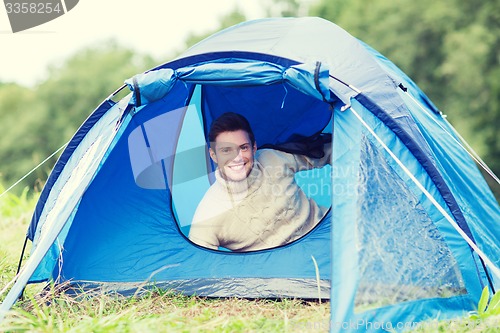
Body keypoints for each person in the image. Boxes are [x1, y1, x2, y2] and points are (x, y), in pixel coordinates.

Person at [188, 112, 331, 251]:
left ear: (254, 147)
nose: (237, 158)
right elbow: (198, 266)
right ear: (213, 155)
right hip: (292, 272)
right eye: (226, 150)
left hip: (328, 232)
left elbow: (329, 150)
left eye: (243, 148)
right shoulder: (208, 214)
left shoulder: (273, 159)